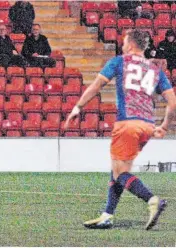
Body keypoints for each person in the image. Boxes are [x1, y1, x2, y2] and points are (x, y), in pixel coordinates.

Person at [64, 29, 176, 230]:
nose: (123, 45)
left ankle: (152, 200)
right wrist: (165, 126)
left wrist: (77, 107)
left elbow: (96, 86)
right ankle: (107, 215)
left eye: (124, 41)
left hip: (127, 123)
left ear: (131, 44)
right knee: (118, 169)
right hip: (147, 125)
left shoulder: (119, 61)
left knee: (120, 173)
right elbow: (172, 101)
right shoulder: (155, 69)